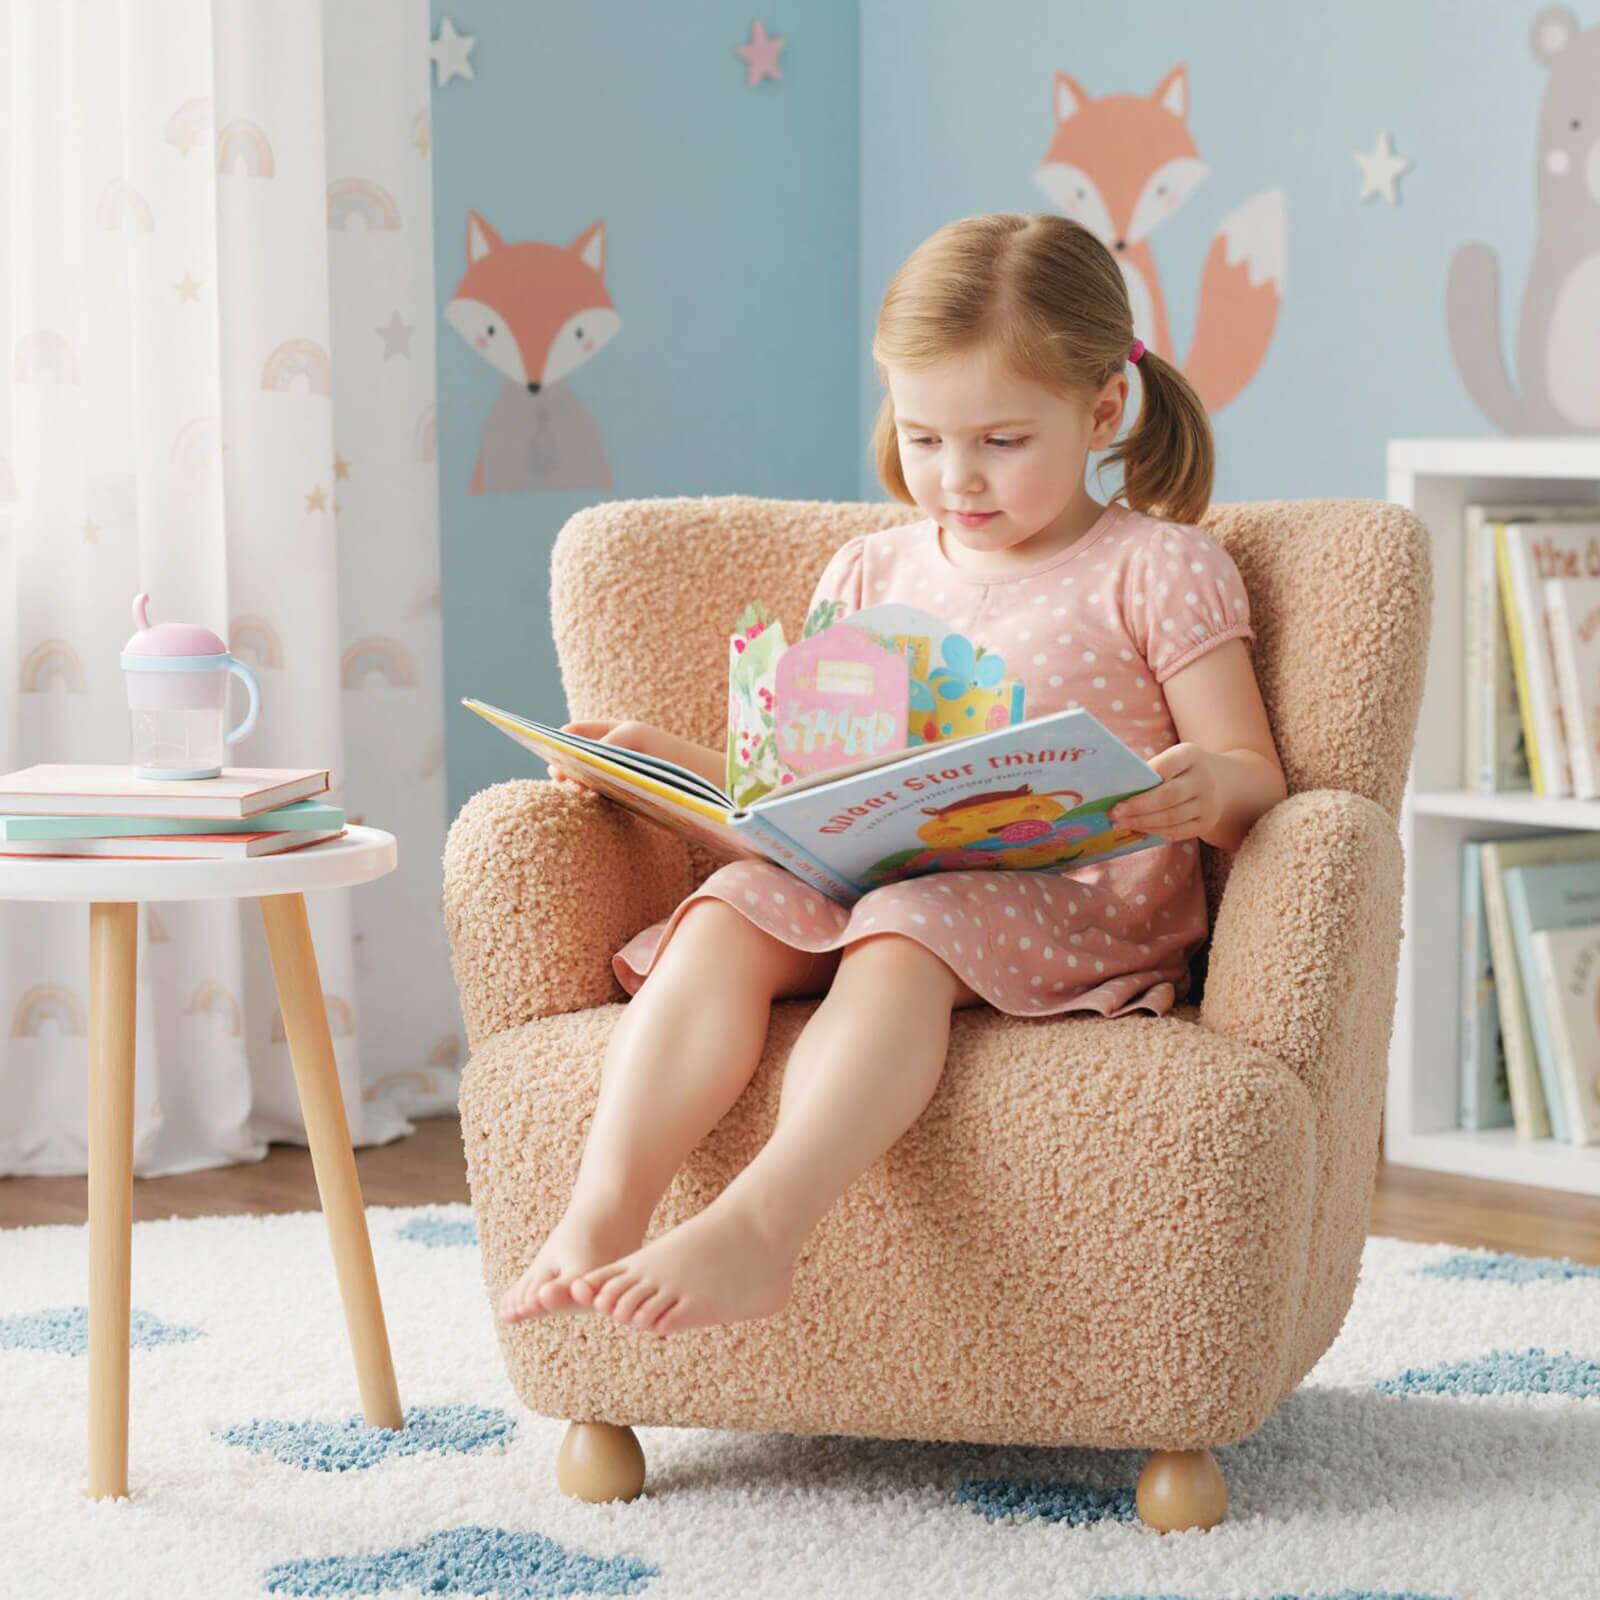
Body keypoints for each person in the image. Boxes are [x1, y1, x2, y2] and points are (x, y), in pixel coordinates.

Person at [500, 211, 1287, 1339]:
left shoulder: (1159, 568)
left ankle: (764, 1225)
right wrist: (655, 765)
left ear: (1102, 410)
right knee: (724, 913)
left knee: (905, 927)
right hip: (874, 879)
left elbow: (1255, 770)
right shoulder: (870, 567)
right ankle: (599, 1212)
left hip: (1074, 902)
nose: (955, 477)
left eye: (1001, 442)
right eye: (923, 436)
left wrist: (1210, 787)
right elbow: (805, 799)